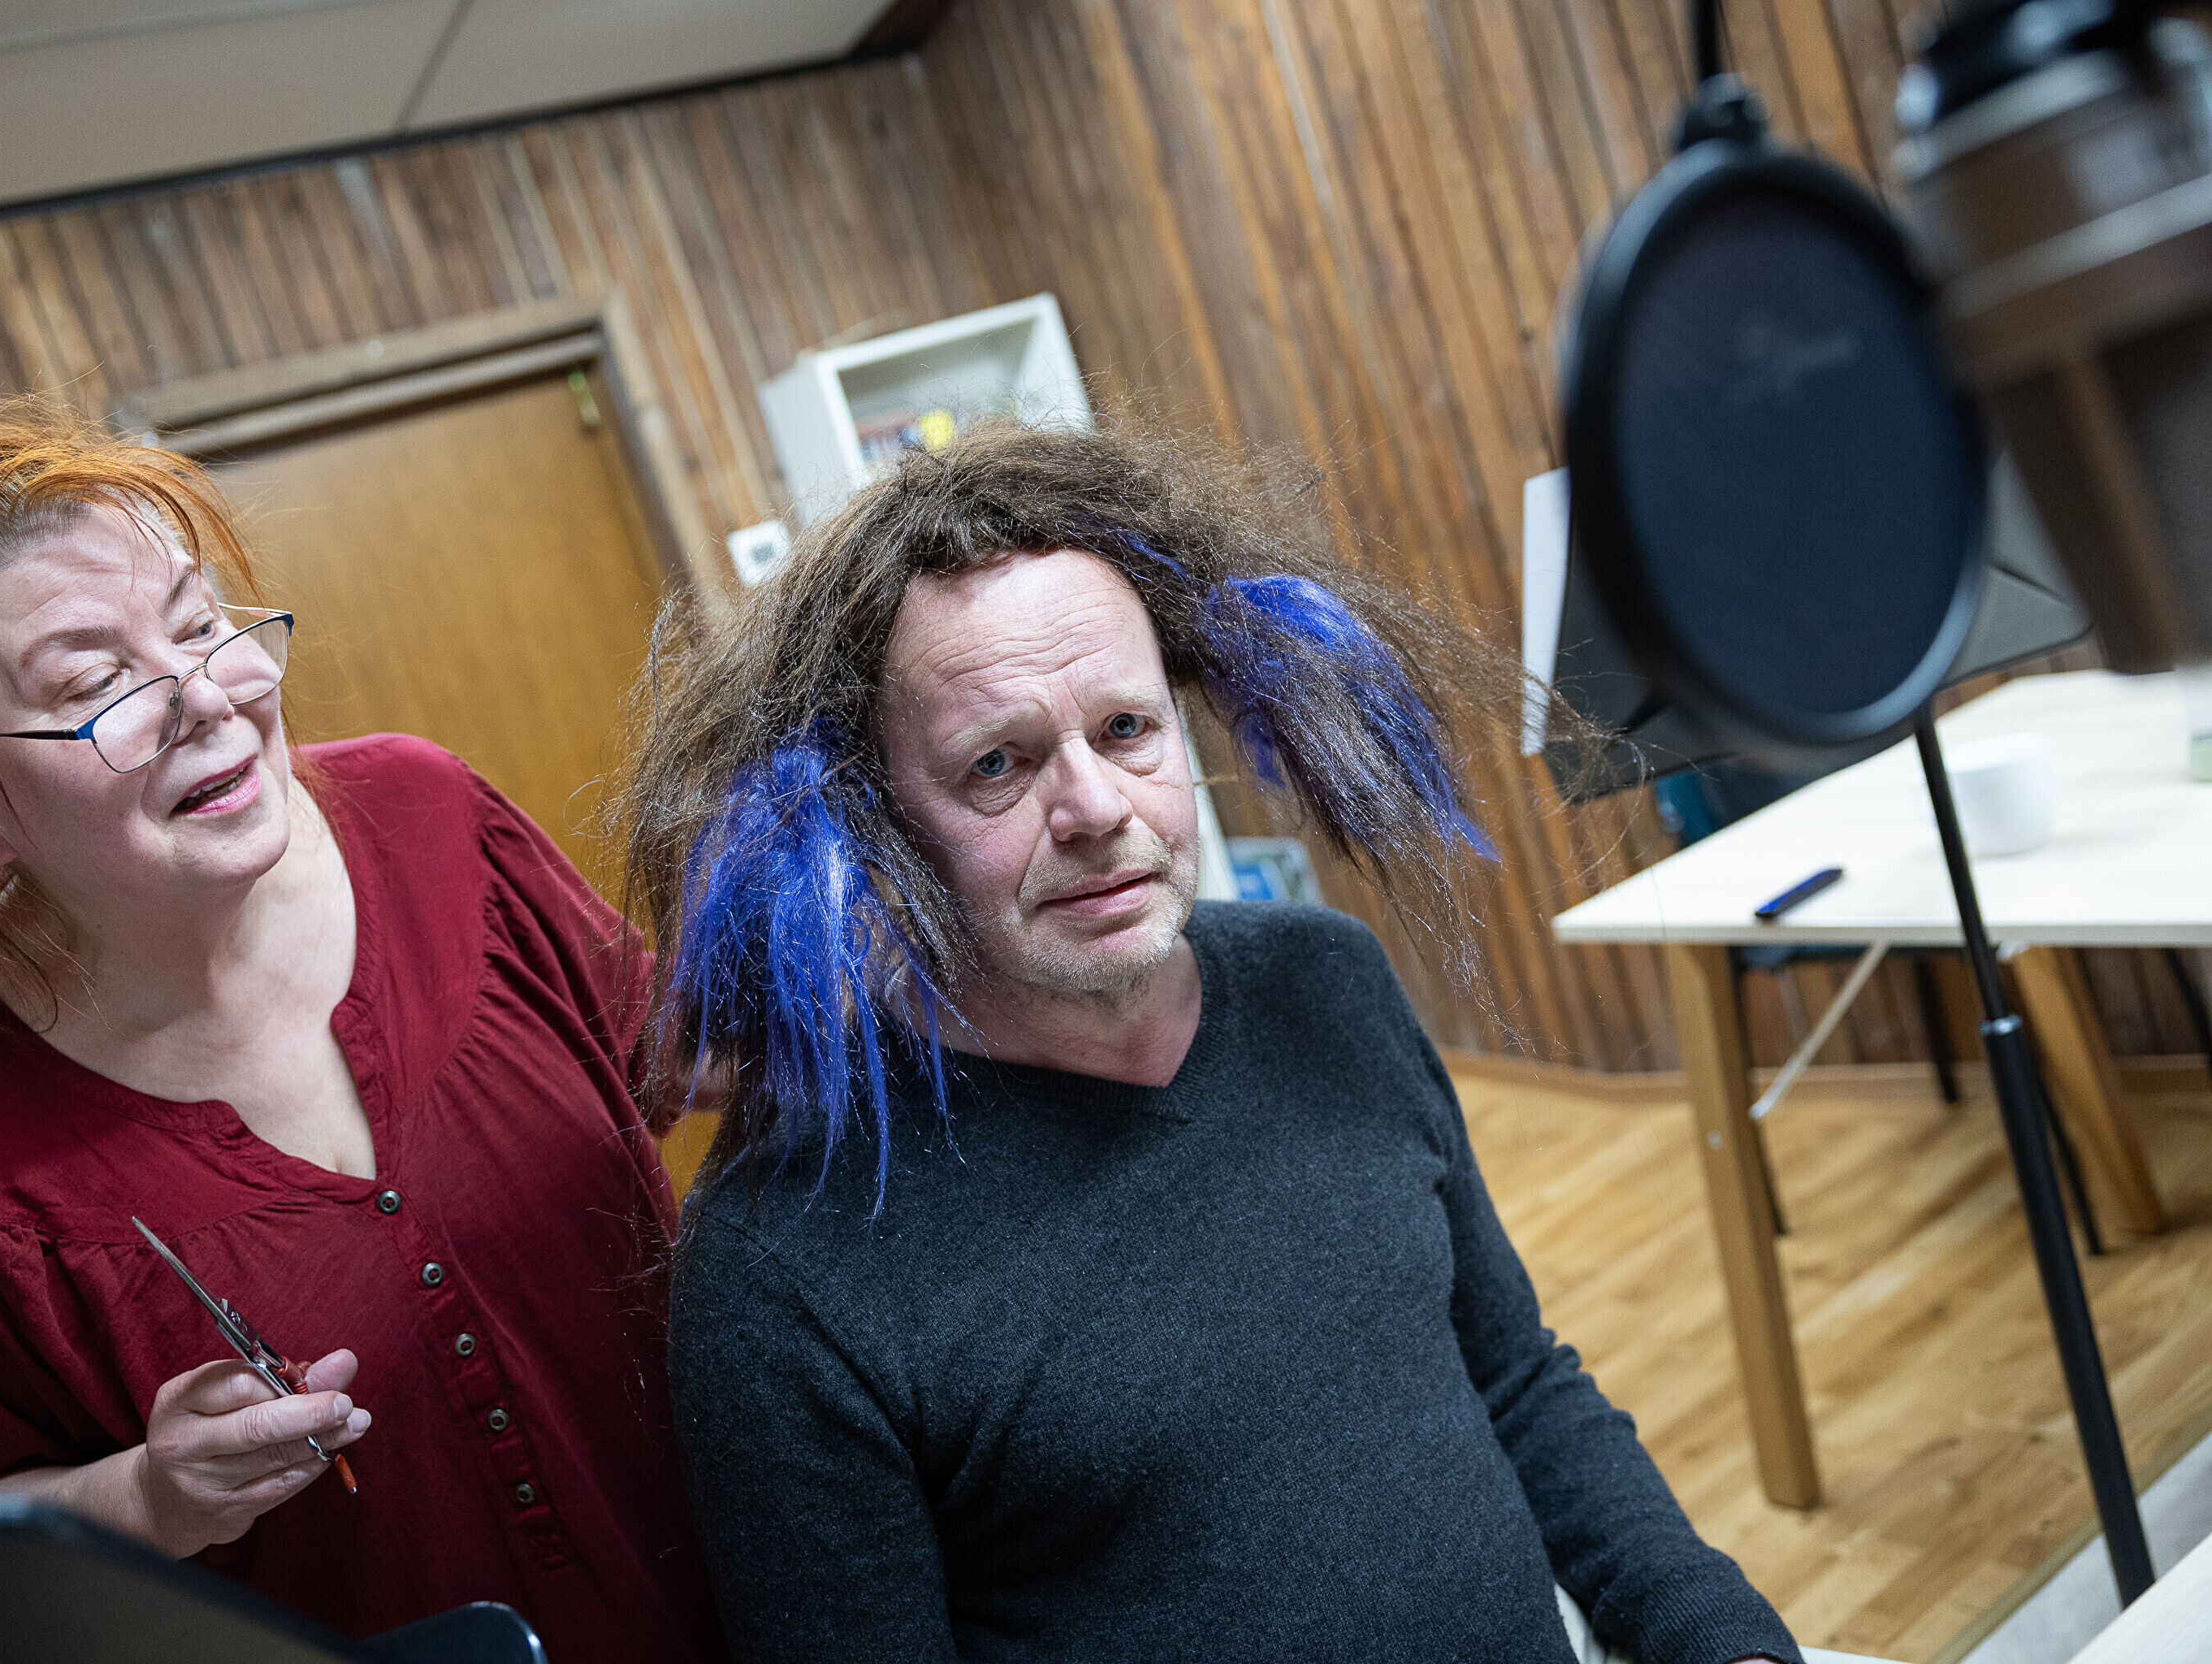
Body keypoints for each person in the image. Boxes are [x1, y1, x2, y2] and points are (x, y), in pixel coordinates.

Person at [621, 420, 1802, 1664]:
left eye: (1127, 729)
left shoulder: (1326, 980)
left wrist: (1721, 1639)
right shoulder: (784, 1270)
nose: (1094, 807)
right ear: (873, 823)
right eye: (998, 764)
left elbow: (1515, 1382)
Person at [0, 407, 723, 1657]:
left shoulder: (427, 812)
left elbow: (663, 1051)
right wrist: (151, 1497)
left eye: (197, 623)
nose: (209, 697)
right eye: (96, 684)